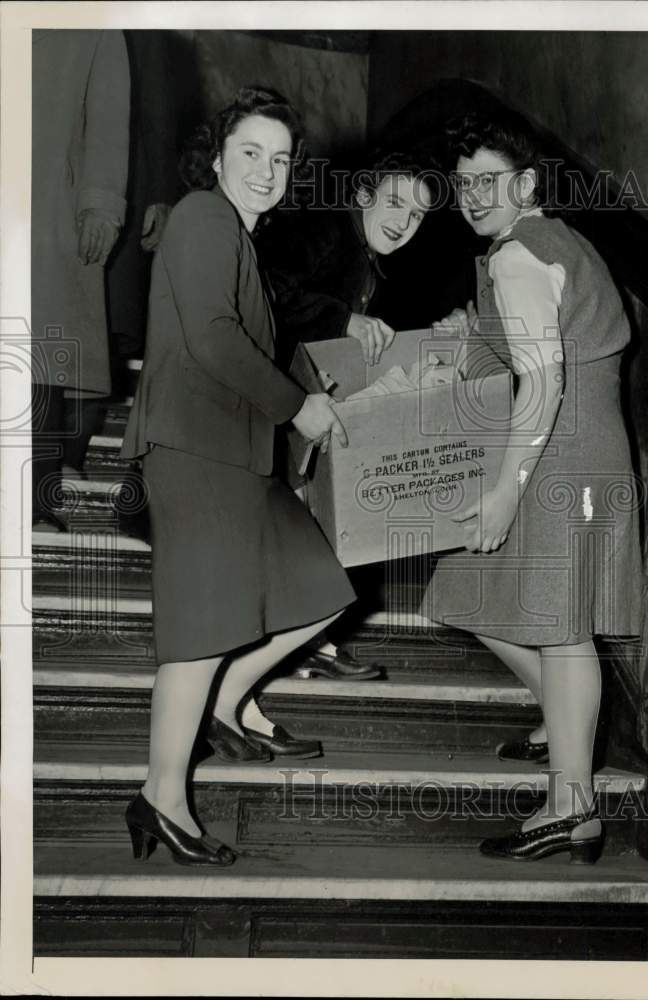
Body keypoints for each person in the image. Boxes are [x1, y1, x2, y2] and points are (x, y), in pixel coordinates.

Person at [119, 86, 356, 867]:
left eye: (281, 159)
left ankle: (226, 700)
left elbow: (248, 340)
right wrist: (299, 410)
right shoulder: (199, 218)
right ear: (216, 158)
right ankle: (163, 796)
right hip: (194, 452)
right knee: (196, 635)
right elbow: (216, 341)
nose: (266, 170)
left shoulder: (239, 240)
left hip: (238, 458)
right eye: (250, 153)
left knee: (320, 587)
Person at [421, 111, 642, 862]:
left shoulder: (518, 256)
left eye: (489, 181)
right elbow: (537, 349)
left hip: (557, 449)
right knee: (474, 592)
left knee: (562, 626)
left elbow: (542, 387)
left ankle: (568, 807)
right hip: (589, 444)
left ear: (526, 184)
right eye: (463, 184)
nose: (473, 196)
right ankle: (566, 733)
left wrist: (508, 490)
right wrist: (471, 334)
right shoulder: (560, 242)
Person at [260, 151, 436, 680]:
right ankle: (298, 640)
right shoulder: (324, 229)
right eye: (395, 202)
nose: (403, 222)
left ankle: (314, 639)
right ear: (364, 196)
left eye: (417, 215)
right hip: (265, 406)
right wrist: (345, 319)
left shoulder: (364, 254)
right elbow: (262, 294)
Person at [31, 29, 130, 528]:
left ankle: (35, 501)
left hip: (47, 203)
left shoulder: (94, 21)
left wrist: (102, 204)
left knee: (39, 358)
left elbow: (110, 118)